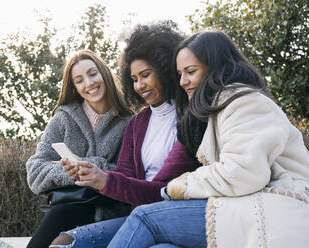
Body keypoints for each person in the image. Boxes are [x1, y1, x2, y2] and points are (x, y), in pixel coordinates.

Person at [108, 30, 309, 248]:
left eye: (190, 72)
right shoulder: (218, 108)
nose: (183, 82)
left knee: (143, 217)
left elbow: (243, 173)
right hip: (243, 205)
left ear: (214, 66)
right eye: (180, 74)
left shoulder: (246, 103)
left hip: (276, 207)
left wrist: (178, 187)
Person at [50, 21, 199, 248]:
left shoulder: (191, 117)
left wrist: (106, 179)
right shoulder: (138, 123)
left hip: (175, 217)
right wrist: (92, 176)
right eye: (134, 79)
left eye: (145, 75)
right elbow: (124, 179)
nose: (139, 85)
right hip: (137, 218)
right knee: (65, 243)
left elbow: (166, 190)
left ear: (165, 68)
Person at [25, 49, 133, 248]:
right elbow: (35, 172)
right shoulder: (63, 119)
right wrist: (69, 171)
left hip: (111, 213)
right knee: (62, 215)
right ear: (74, 87)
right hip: (69, 208)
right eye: (79, 80)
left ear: (104, 74)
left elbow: (131, 175)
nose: (89, 84)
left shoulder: (130, 121)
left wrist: (92, 166)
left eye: (93, 74)